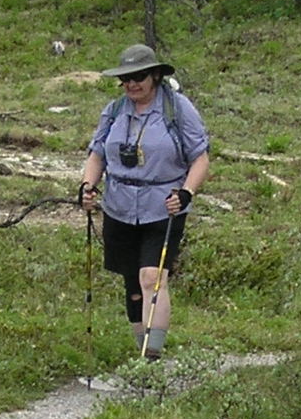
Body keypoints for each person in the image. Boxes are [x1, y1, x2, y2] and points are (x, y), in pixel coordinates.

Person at [76, 45, 210, 360]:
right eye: (126, 78)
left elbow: (200, 158)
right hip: (119, 206)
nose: (132, 84)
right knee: (132, 281)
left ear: (155, 76)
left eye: (139, 77)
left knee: (152, 276)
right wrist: (87, 186)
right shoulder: (114, 110)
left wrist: (186, 192)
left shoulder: (177, 109)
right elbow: (97, 154)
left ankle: (152, 357)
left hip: (164, 206)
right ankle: (142, 352)